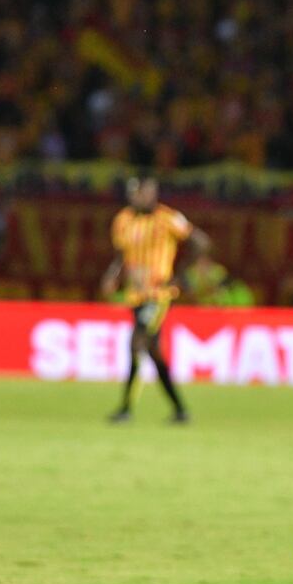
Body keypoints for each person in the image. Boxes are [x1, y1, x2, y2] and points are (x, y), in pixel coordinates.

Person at [100, 176, 209, 424]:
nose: (140, 197)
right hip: (135, 295)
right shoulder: (123, 220)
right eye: (136, 194)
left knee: (136, 343)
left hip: (157, 295)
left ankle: (126, 409)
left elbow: (201, 242)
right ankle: (181, 410)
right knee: (154, 352)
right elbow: (122, 256)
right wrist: (111, 276)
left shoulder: (168, 218)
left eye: (145, 193)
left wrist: (178, 276)